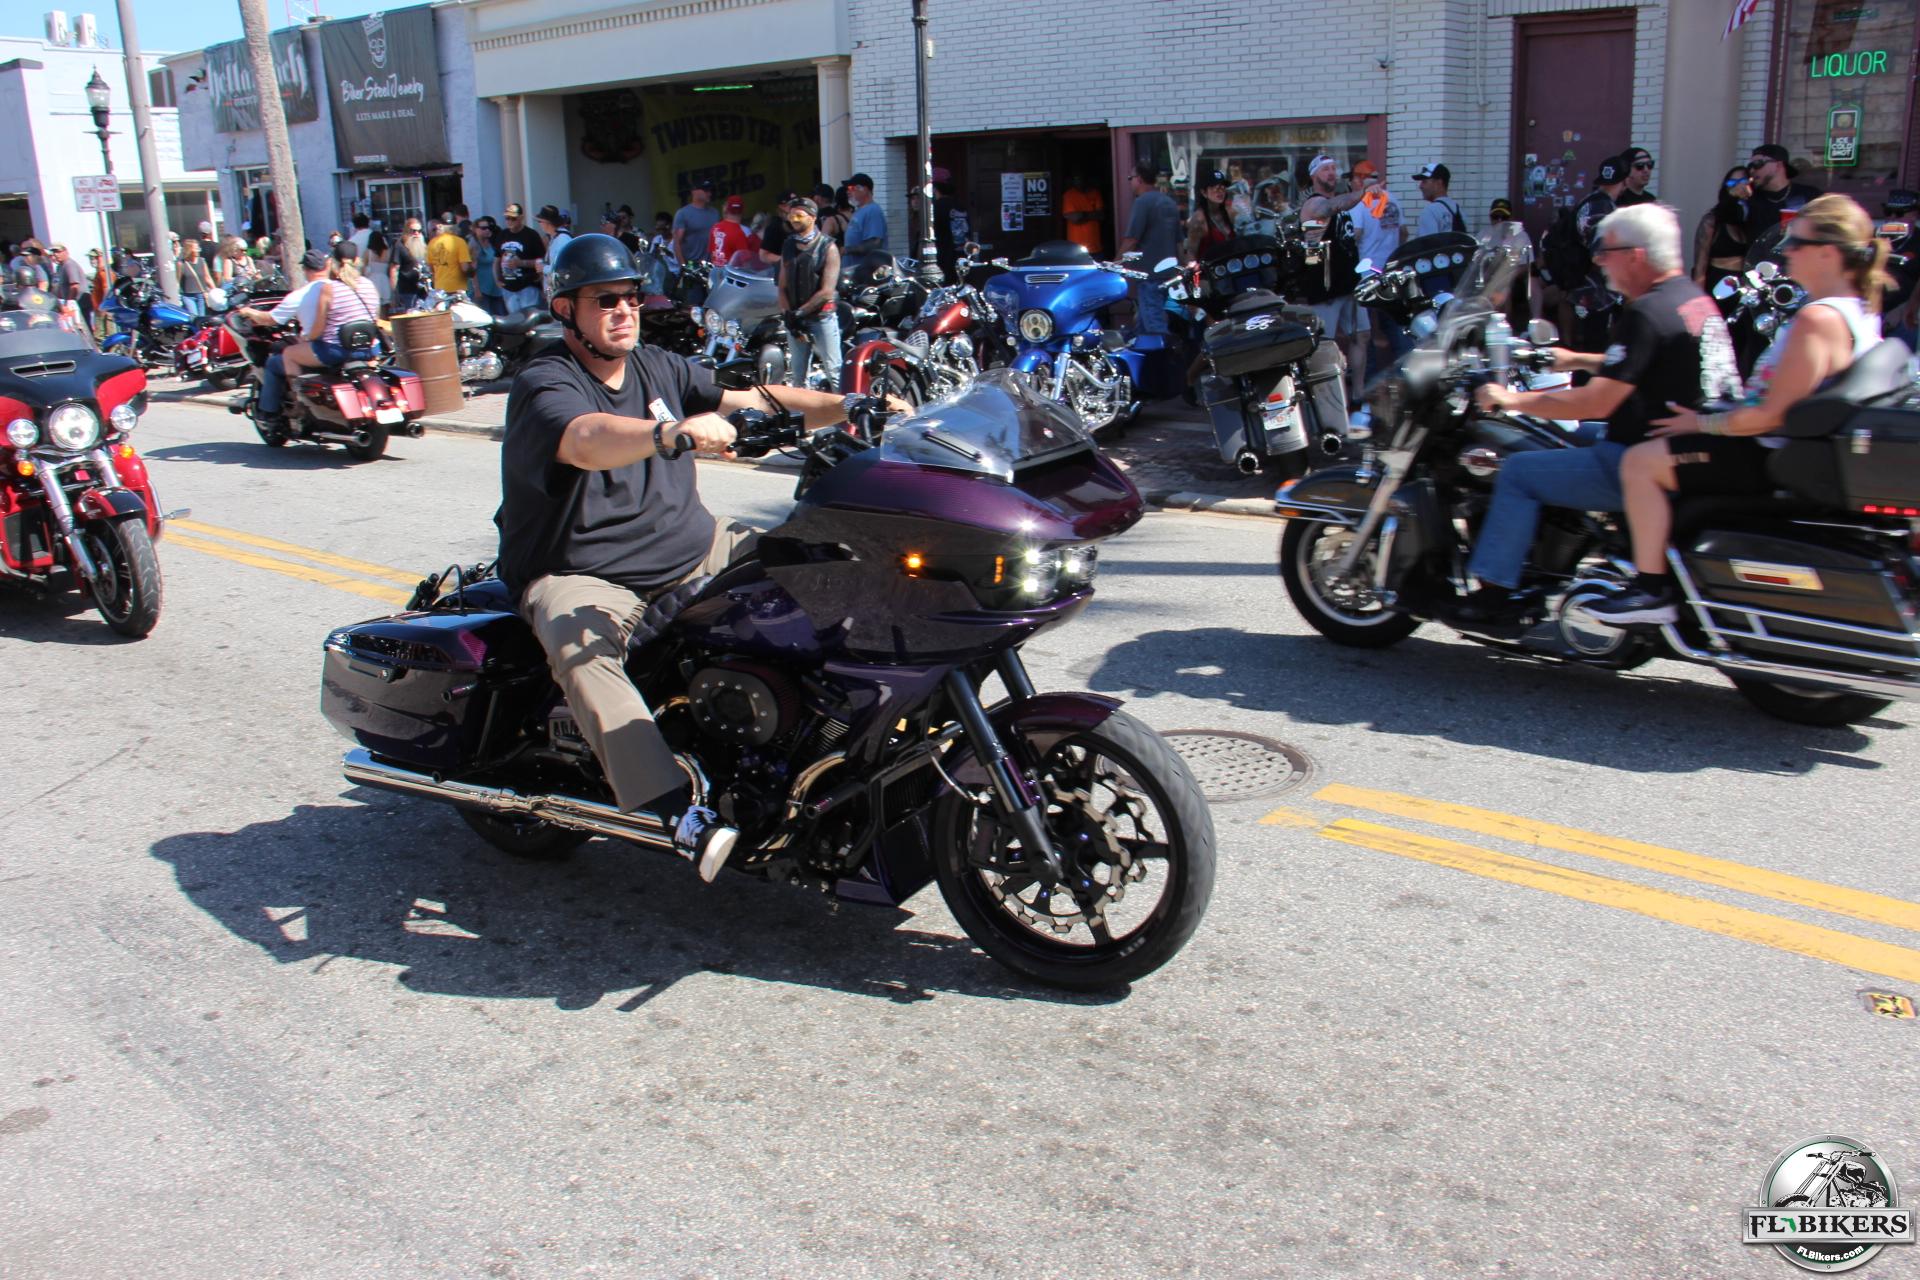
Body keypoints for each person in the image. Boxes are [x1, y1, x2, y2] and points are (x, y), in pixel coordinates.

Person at [495, 234, 875, 881]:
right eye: (605, 300)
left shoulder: (658, 367)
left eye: (631, 297)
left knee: (823, 562)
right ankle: (676, 812)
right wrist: (670, 432)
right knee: (584, 655)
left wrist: (851, 407)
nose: (624, 310)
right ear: (566, 310)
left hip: (697, 546)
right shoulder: (546, 381)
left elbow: (756, 399)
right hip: (585, 571)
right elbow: (585, 439)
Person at [1590, 195, 1886, 624]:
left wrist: (1701, 421)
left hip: (1762, 452)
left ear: (1827, 252)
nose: (1786, 252)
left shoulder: (1818, 320)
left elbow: (1772, 415)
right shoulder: (1860, 309)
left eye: (1796, 243)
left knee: (1640, 462)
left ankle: (1651, 590)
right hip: (1786, 448)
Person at [1459, 203, 1741, 623]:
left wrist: (1510, 400)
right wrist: (1576, 360)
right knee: (1564, 438)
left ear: (1636, 255)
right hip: (1691, 448)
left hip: (1642, 454)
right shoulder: (1689, 299)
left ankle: (1494, 595)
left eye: (1606, 251)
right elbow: (1648, 363)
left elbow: (1596, 402)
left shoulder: (1646, 311)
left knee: (1517, 470)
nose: (1599, 261)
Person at [240, 249, 343, 430]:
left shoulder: (301, 294)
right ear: (327, 266)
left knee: (275, 362)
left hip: (323, 348)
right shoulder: (341, 288)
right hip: (346, 344)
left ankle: (277, 410)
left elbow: (270, 319)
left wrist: (249, 312)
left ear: (305, 270)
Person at [1298, 154, 1370, 400]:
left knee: (1362, 335)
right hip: (1326, 286)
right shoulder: (1314, 204)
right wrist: (1362, 192)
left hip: (1350, 282)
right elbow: (1330, 208)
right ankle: (1328, 400)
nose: (1331, 173)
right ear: (1314, 176)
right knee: (1324, 344)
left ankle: (1358, 395)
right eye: (1325, 169)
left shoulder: (1340, 203)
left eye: (1333, 168)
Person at [777, 196, 841, 387]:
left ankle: (847, 406)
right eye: (791, 216)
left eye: (799, 215)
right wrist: (788, 314)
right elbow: (782, 285)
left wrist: (800, 313)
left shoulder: (828, 247)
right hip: (795, 320)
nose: (794, 220)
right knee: (798, 377)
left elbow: (827, 292)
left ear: (812, 217)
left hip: (822, 318)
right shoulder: (788, 245)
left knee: (835, 373)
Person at [1350, 162, 1408, 363]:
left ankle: (1370, 369)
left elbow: (1355, 235)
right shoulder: (1393, 199)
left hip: (1366, 273)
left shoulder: (1359, 203)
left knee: (1364, 328)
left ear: (1359, 180)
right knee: (1392, 321)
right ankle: (1405, 363)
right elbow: (1404, 232)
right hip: (1390, 269)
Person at [1120, 161, 1181, 337]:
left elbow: (1131, 240)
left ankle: (1163, 352)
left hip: (1149, 275)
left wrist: (1116, 262)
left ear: (1139, 179)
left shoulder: (1142, 202)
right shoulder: (1169, 202)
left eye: (1130, 178)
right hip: (1169, 273)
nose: (1130, 182)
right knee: (1144, 324)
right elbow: (1179, 241)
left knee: (1154, 326)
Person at [1742, 143, 1822, 245]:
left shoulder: (1808, 195)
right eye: (1750, 166)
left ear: (1778, 165)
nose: (1752, 170)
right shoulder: (1749, 197)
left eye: (1757, 164)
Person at [1692, 166, 1752, 293]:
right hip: (1719, 284)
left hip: (1745, 286)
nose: (1738, 187)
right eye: (1732, 183)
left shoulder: (1751, 217)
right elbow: (1700, 266)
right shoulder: (1712, 221)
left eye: (1743, 181)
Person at [1486, 198, 1534, 326]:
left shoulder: (1521, 236)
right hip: (1487, 278)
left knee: (1503, 287)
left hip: (1514, 280)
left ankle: (1505, 327)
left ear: (1511, 218)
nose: (1499, 221)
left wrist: (1507, 276)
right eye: (1495, 217)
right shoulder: (1483, 235)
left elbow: (1527, 265)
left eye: (1504, 217)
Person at [496, 204, 546, 315]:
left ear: (521, 218)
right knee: (514, 320)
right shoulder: (502, 235)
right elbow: (496, 259)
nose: (509, 221)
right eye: (507, 218)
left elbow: (541, 261)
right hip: (508, 287)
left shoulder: (531, 235)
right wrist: (497, 279)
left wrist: (521, 263)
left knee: (530, 318)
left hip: (528, 285)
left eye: (513, 218)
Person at [1184, 168, 1234, 262]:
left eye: (1222, 187)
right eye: (1215, 188)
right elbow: (1191, 252)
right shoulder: (1199, 219)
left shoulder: (1230, 213)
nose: (1220, 191)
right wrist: (1192, 266)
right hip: (1210, 268)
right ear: (1204, 192)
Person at [671, 180, 720, 267]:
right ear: (694, 191)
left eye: (710, 191)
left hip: (711, 264)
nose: (709, 194)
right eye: (705, 191)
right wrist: (683, 266)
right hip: (692, 264)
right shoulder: (683, 214)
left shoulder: (715, 213)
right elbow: (677, 243)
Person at [1413, 163, 1466, 236]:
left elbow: (1427, 242)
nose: (1420, 186)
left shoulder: (1430, 211)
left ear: (1439, 183)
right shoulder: (1459, 210)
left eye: (1424, 181)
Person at [842, 173, 888, 255]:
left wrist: (847, 250)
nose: (848, 192)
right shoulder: (860, 211)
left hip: (865, 263)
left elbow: (874, 244)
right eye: (848, 189)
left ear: (865, 189)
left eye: (851, 188)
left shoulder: (873, 210)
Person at [1063, 172, 1105, 257]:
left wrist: (1082, 215)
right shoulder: (1069, 195)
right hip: (1075, 247)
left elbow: (1101, 215)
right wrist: (1092, 215)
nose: (1079, 181)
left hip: (1095, 246)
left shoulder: (1095, 193)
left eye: (1081, 178)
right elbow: (1074, 219)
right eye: (1076, 179)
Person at [390, 218, 427, 314]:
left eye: (419, 231)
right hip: (407, 291)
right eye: (413, 231)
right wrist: (394, 293)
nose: (417, 234)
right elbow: (394, 269)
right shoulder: (399, 245)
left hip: (423, 290)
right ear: (406, 231)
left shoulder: (423, 245)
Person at [427, 217, 474, 294]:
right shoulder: (459, 242)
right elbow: (465, 268)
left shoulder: (431, 244)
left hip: (440, 289)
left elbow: (431, 269)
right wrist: (473, 269)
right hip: (457, 289)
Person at [468, 218, 505, 316]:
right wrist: (477, 290)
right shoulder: (474, 246)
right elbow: (472, 270)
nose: (487, 230)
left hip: (495, 288)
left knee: (500, 316)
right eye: (483, 228)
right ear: (476, 230)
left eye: (488, 228)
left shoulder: (492, 243)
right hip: (482, 289)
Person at [175, 237, 214, 317]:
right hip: (187, 296)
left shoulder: (202, 261)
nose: (198, 250)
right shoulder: (181, 264)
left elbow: (207, 278)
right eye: (196, 249)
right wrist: (176, 296)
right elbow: (177, 281)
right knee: (194, 317)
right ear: (189, 250)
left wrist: (214, 290)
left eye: (198, 248)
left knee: (202, 318)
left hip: (201, 295)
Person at [709, 195, 753, 265]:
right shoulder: (739, 233)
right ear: (743, 210)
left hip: (716, 270)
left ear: (726, 209)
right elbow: (746, 262)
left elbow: (712, 254)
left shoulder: (715, 227)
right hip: (730, 271)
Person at [364, 229, 393, 315]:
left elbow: (363, 268)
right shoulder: (388, 252)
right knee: (385, 309)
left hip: (372, 280)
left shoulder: (368, 252)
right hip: (384, 280)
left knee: (374, 308)